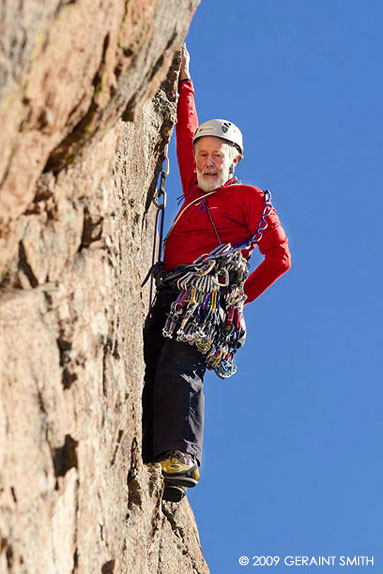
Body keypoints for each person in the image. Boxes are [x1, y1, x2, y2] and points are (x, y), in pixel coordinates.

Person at [142, 45, 291, 500]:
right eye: (203, 154)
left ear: (234, 161)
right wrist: (185, 81)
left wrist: (237, 296)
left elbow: (280, 256)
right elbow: (185, 126)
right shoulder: (193, 185)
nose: (207, 162)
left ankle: (182, 456)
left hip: (204, 298)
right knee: (154, 363)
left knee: (181, 366)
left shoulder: (248, 199)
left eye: (217, 156)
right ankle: (156, 450)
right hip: (170, 288)